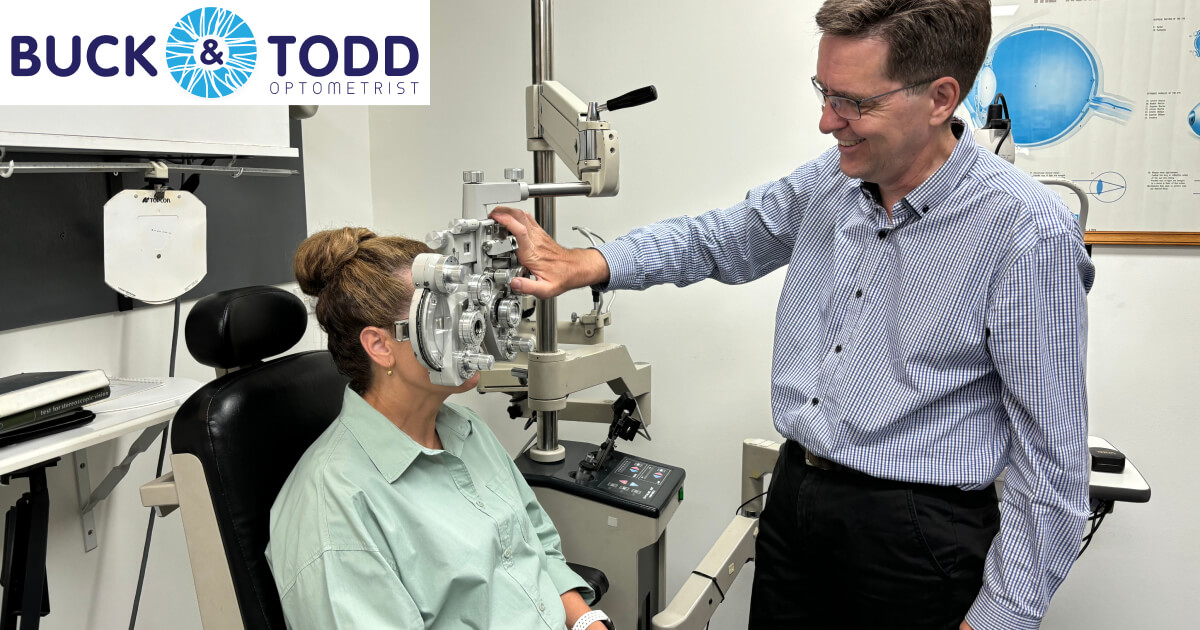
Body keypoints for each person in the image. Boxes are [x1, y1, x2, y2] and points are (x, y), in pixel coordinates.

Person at [489, 1, 1094, 629]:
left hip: (916, 540)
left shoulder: (1027, 232)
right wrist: (587, 262)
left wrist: (998, 620)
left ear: (941, 98)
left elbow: (1052, 464)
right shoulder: (830, 183)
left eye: (854, 102)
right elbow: (720, 238)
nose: (828, 121)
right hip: (799, 502)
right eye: (823, 91)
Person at [264, 228, 611, 630]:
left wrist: (588, 623)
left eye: (467, 304)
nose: (473, 326)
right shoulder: (332, 508)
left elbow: (538, 547)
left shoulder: (465, 428)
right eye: (443, 315)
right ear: (379, 346)